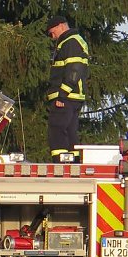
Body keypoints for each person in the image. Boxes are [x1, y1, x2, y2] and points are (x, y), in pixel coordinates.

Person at [45, 15, 89, 162]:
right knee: (70, 132)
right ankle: (73, 163)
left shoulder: (70, 43)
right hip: (74, 96)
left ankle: (61, 163)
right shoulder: (74, 41)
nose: (52, 36)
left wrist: (62, 94)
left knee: (57, 129)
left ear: (61, 26)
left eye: (52, 32)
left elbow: (74, 70)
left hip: (66, 96)